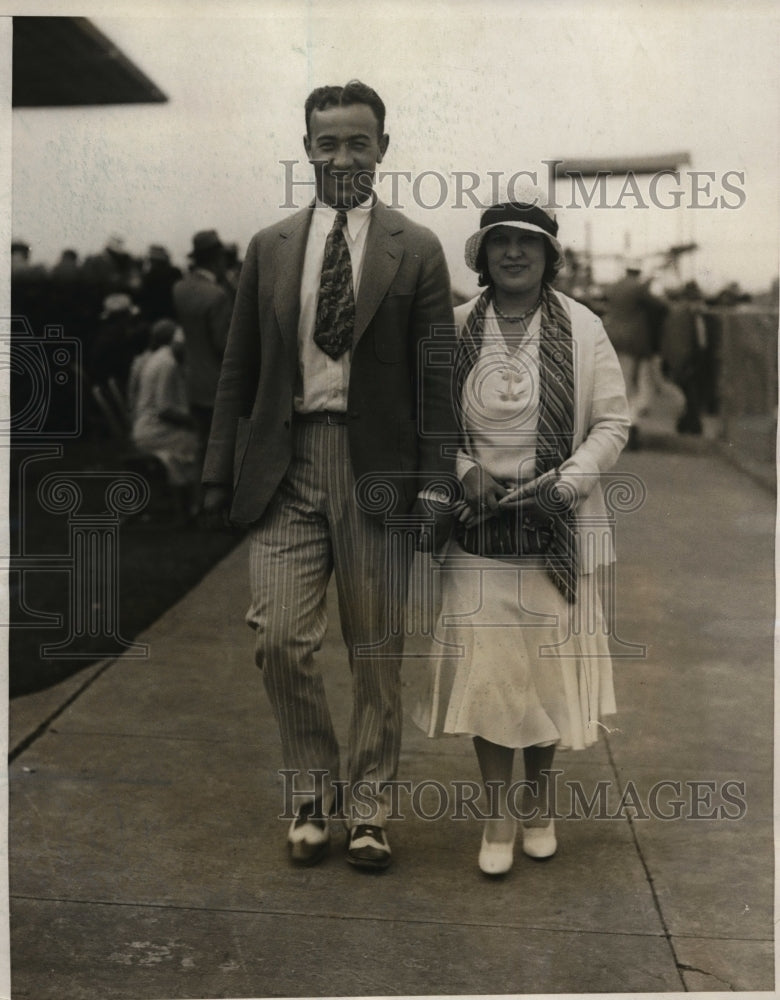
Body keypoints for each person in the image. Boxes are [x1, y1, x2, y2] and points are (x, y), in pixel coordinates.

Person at [201, 80, 456, 871]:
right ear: (306, 148)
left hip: (377, 468)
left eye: (358, 141)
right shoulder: (269, 247)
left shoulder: (414, 248)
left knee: (375, 650)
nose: (342, 156)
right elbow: (238, 367)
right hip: (287, 462)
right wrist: (216, 472)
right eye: (327, 142)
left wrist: (439, 481)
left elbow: (436, 376)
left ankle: (371, 811)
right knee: (278, 638)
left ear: (383, 147)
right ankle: (313, 794)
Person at [413, 185, 630, 875]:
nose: (514, 252)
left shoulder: (583, 326)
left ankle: (537, 802)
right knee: (491, 677)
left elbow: (613, 424)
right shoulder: (451, 327)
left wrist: (562, 488)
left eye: (527, 242)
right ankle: (497, 813)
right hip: (477, 533)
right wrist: (462, 465)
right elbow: (428, 424)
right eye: (500, 241)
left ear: (548, 255)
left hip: (555, 530)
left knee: (543, 673)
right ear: (481, 255)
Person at [131, 319, 200, 521]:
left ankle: (191, 505)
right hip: (153, 431)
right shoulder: (167, 363)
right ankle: (193, 506)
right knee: (199, 442)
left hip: (150, 427)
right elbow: (165, 410)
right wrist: (195, 422)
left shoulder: (161, 358)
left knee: (197, 438)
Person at [172, 229, 233, 457]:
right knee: (220, 450)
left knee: (204, 446)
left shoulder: (180, 288)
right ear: (217, 258)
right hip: (215, 385)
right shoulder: (216, 295)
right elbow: (223, 345)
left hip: (192, 380)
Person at [602, 262, 667, 448]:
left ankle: (620, 425)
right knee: (640, 384)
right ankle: (630, 424)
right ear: (638, 272)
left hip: (614, 339)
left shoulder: (614, 286)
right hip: (634, 342)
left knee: (622, 382)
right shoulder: (638, 288)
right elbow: (661, 306)